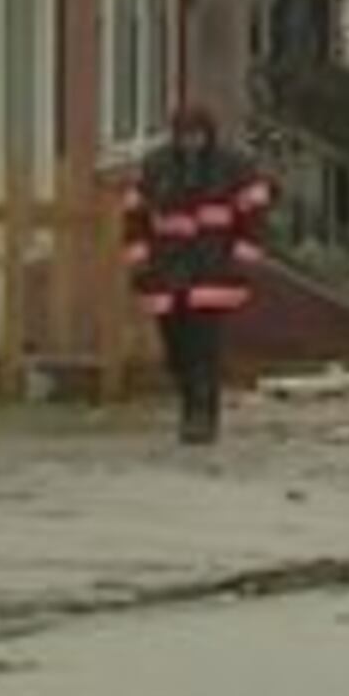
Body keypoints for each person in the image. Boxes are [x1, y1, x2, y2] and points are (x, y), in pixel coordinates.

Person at [120, 102, 272, 446]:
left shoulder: (233, 167)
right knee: (176, 350)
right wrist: (140, 263)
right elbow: (134, 218)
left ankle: (201, 416)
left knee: (204, 347)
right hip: (166, 272)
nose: (192, 142)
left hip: (212, 271)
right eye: (185, 136)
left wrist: (241, 262)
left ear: (208, 135)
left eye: (197, 136)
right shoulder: (156, 166)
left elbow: (255, 216)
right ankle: (190, 402)